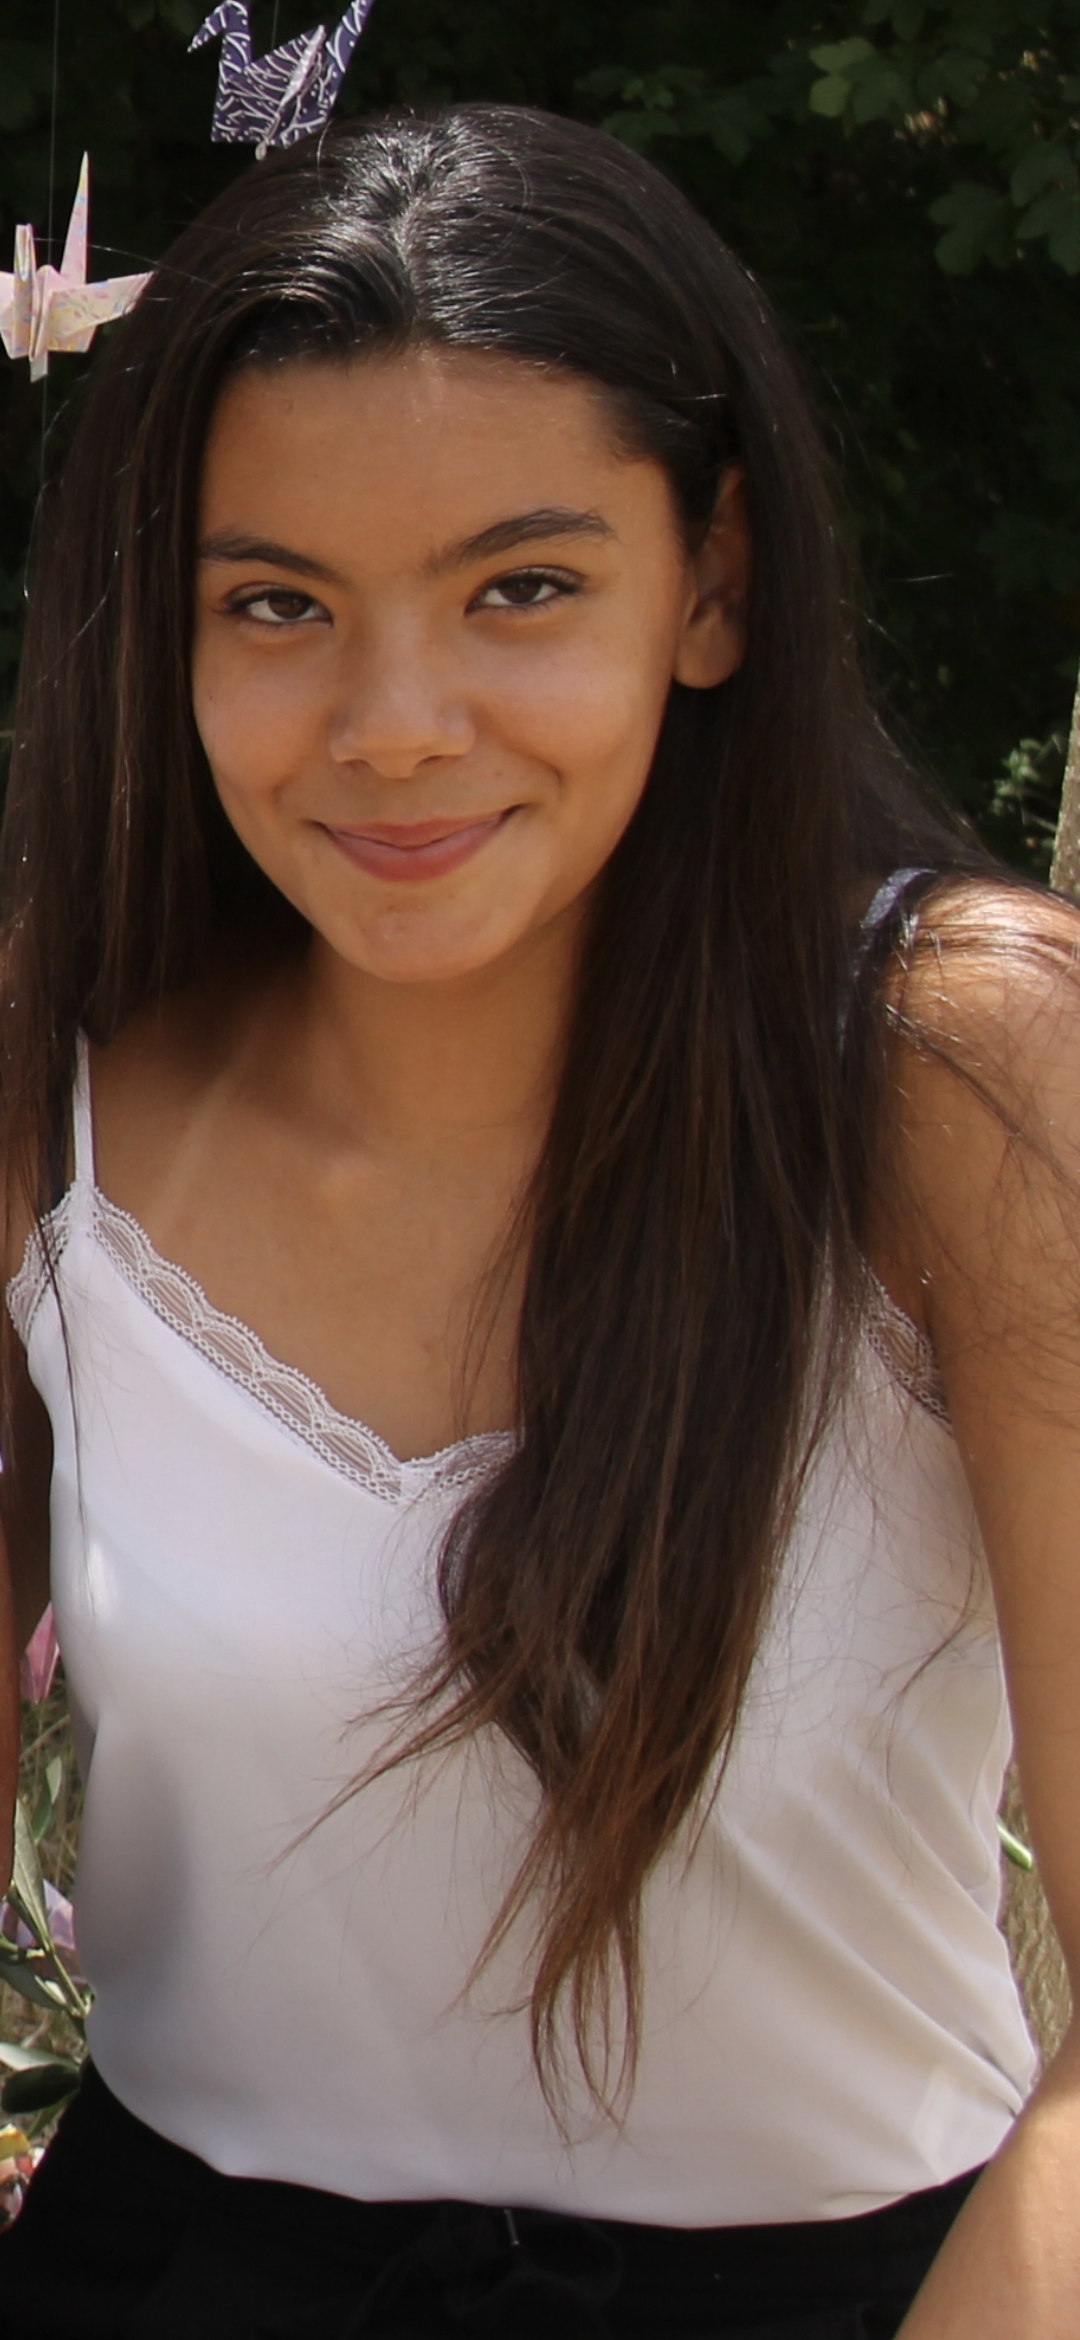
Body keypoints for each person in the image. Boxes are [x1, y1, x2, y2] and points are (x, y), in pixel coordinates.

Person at [0, 100, 1077, 2340]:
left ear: (715, 584)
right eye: (277, 605)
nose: (396, 726)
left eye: (521, 588)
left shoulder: (963, 1069)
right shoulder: (52, 1091)